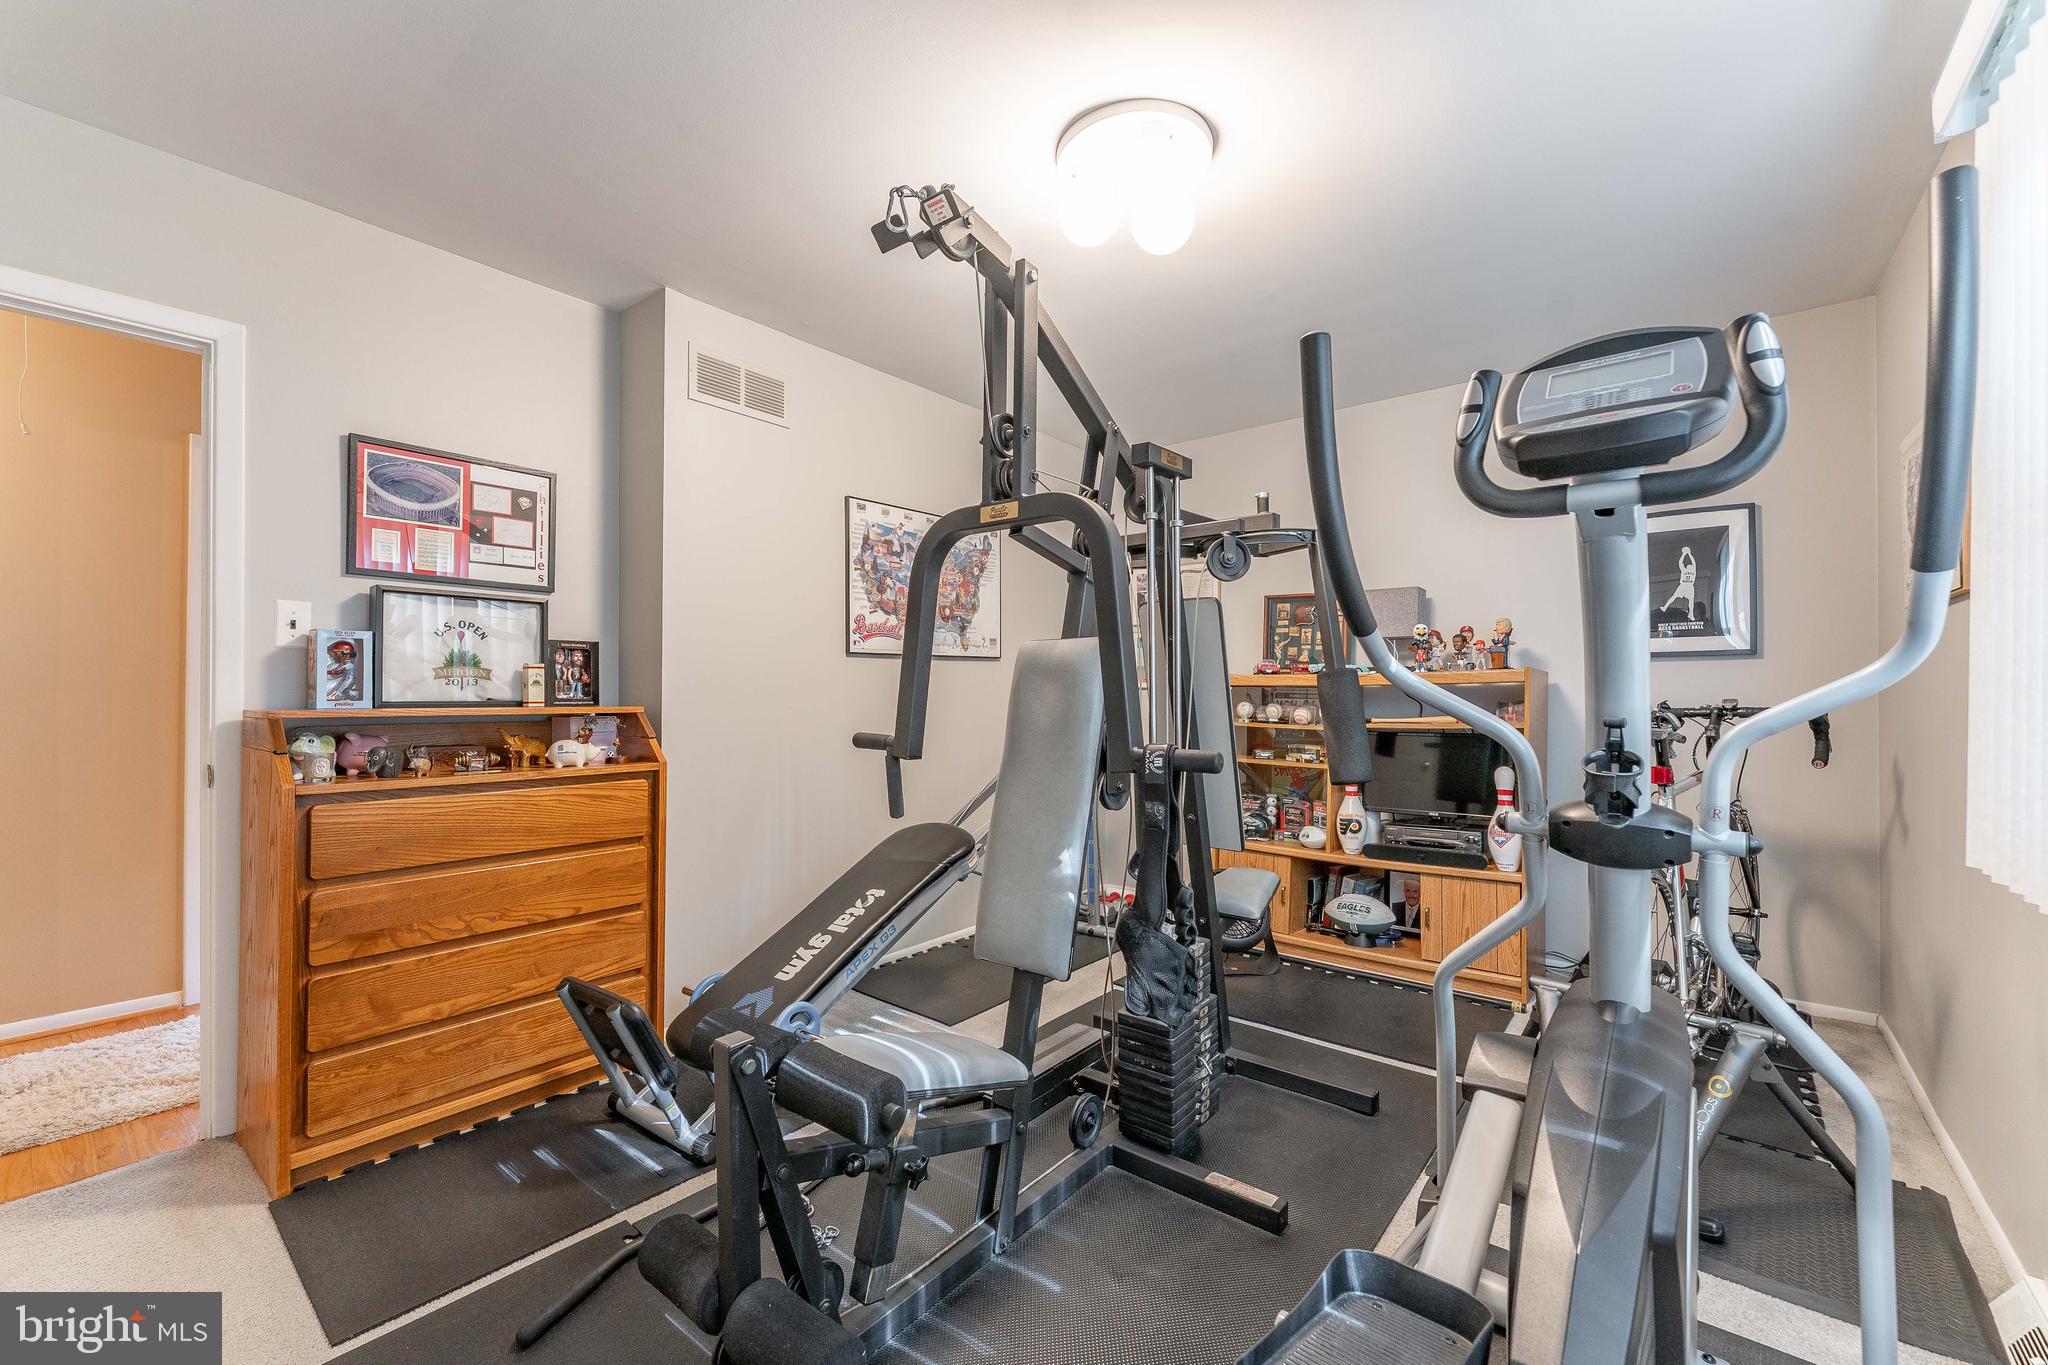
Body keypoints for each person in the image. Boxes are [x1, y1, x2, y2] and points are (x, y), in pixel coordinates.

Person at [1660, 544, 1698, 618]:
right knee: (1674, 596)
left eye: (1690, 566)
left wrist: (1689, 554)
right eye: (1688, 566)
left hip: (1689, 586)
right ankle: (1665, 607)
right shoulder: (1684, 571)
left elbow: (1694, 562)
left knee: (1691, 600)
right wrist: (1683, 554)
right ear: (1687, 567)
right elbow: (1680, 563)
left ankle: (1691, 614)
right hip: (1683, 585)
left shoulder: (1693, 572)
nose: (1689, 566)